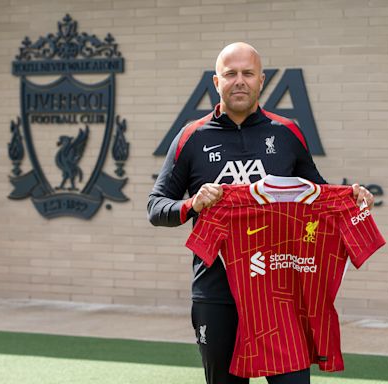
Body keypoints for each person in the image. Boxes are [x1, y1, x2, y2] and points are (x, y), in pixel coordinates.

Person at [148, 42, 375, 384]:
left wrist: (352, 198)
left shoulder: (286, 133)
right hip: (217, 294)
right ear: (216, 82)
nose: (239, 81)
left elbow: (319, 198)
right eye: (231, 74)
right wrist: (191, 204)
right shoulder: (191, 137)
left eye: (247, 73)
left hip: (280, 296)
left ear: (261, 80)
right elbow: (156, 206)